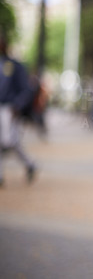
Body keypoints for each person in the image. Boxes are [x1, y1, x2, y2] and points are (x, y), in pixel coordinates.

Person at [0, 34, 37, 186]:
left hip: (9, 109)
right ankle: (29, 164)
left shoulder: (14, 66)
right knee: (10, 142)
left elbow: (26, 90)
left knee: (7, 142)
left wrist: (17, 106)